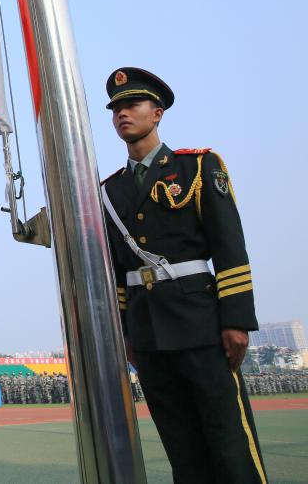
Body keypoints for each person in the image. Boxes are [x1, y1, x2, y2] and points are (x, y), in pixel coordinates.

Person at [100, 67, 266, 483]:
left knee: (229, 441)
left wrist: (235, 320)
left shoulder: (198, 168)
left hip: (200, 325)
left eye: (132, 104)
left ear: (157, 113)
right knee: (182, 449)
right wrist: (125, 333)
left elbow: (229, 247)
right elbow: (117, 273)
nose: (122, 114)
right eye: (116, 108)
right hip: (148, 336)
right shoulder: (110, 191)